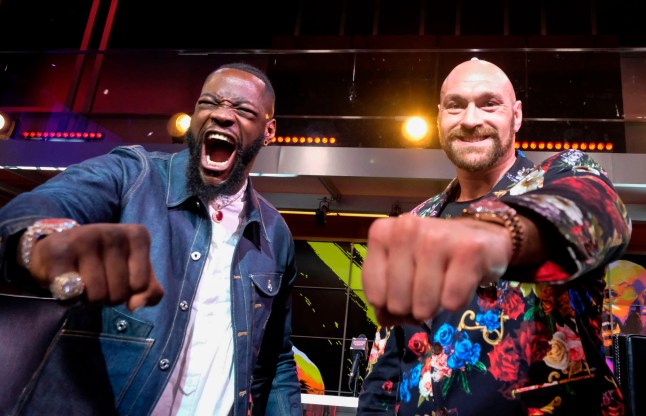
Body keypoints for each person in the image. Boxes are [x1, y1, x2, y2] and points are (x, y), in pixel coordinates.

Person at [0, 62, 302, 415]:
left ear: (269, 131)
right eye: (209, 103)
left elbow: (276, 359)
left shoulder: (274, 233)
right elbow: (46, 203)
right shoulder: (134, 174)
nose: (221, 115)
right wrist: (43, 241)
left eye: (243, 110)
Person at [358, 59, 632, 415]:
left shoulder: (561, 175)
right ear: (440, 118)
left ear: (516, 116)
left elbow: (599, 213)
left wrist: (501, 237)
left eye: (489, 104)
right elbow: (386, 371)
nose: (471, 120)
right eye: (456, 106)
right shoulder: (420, 219)